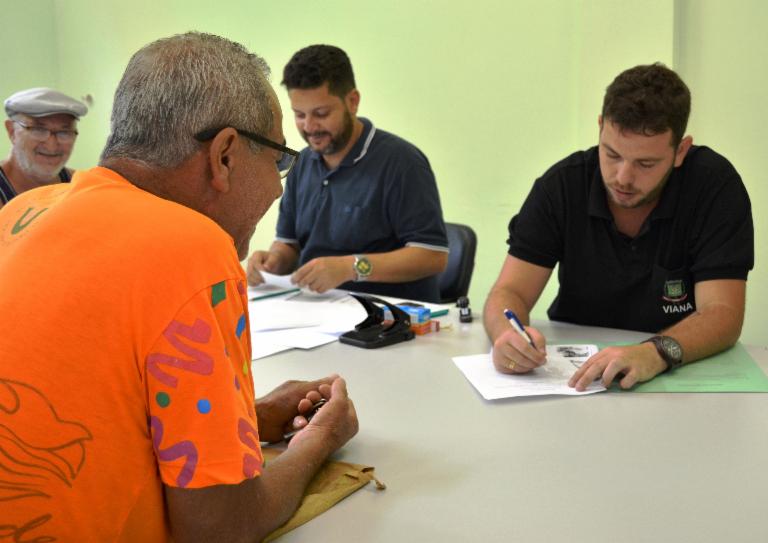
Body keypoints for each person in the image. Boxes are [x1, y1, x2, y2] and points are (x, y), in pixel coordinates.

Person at [0, 32, 358, 542]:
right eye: (279, 159)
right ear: (226, 155)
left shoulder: (22, 212)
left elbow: (110, 426)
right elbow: (221, 525)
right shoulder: (193, 250)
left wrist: (249, 421)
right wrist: (319, 439)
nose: (280, 186)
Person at [483, 63, 753, 391]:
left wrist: (655, 352)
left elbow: (722, 313)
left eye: (646, 164)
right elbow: (509, 292)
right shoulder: (563, 186)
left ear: (680, 151)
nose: (623, 177)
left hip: (678, 375)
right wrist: (507, 336)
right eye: (611, 154)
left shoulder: (714, 187)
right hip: (575, 379)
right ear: (600, 128)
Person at [246, 44, 449, 302]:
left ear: (352, 102)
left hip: (388, 317)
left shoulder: (402, 163)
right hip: (314, 310)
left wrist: (350, 268)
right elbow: (290, 245)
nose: (309, 127)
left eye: (321, 113)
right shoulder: (302, 163)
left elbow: (432, 257)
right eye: (299, 115)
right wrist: (273, 261)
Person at [1, 87, 87, 210]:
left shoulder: (79, 186)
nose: (51, 145)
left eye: (64, 132)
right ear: (12, 131)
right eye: (38, 130)